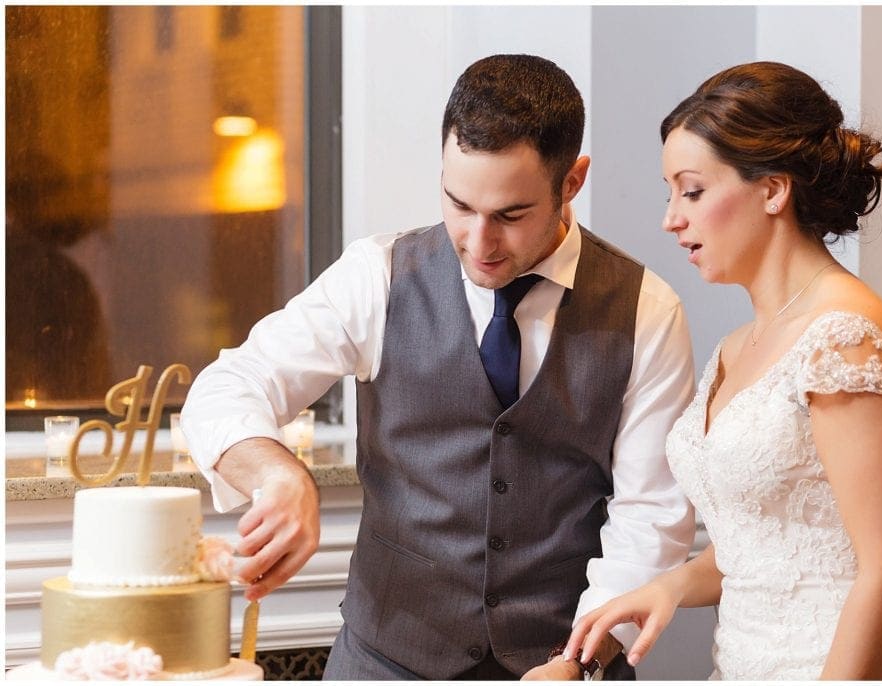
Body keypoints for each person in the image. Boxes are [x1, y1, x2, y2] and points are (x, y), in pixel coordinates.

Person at [181, 53, 696, 680]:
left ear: (572, 181)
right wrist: (278, 474)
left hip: (566, 665)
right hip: (384, 662)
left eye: (510, 215)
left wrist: (580, 656)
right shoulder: (377, 275)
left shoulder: (646, 310)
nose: (479, 244)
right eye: (459, 204)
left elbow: (653, 515)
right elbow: (229, 385)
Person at [562, 61, 882, 680]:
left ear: (773, 190)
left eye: (691, 191)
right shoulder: (736, 346)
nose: (670, 218)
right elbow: (768, 539)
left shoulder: (842, 340)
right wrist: (673, 586)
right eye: (670, 193)